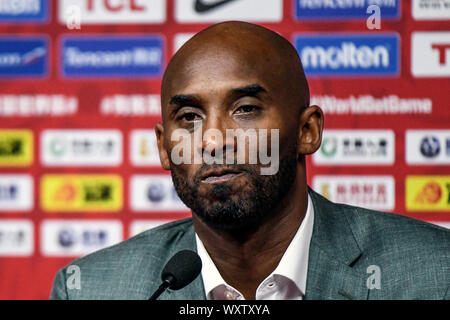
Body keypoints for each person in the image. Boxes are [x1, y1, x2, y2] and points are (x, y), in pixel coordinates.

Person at [50, 21, 450, 300]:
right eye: (188, 117)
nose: (212, 139)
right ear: (162, 146)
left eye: (245, 109)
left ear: (307, 131)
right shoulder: (92, 289)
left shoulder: (436, 274)